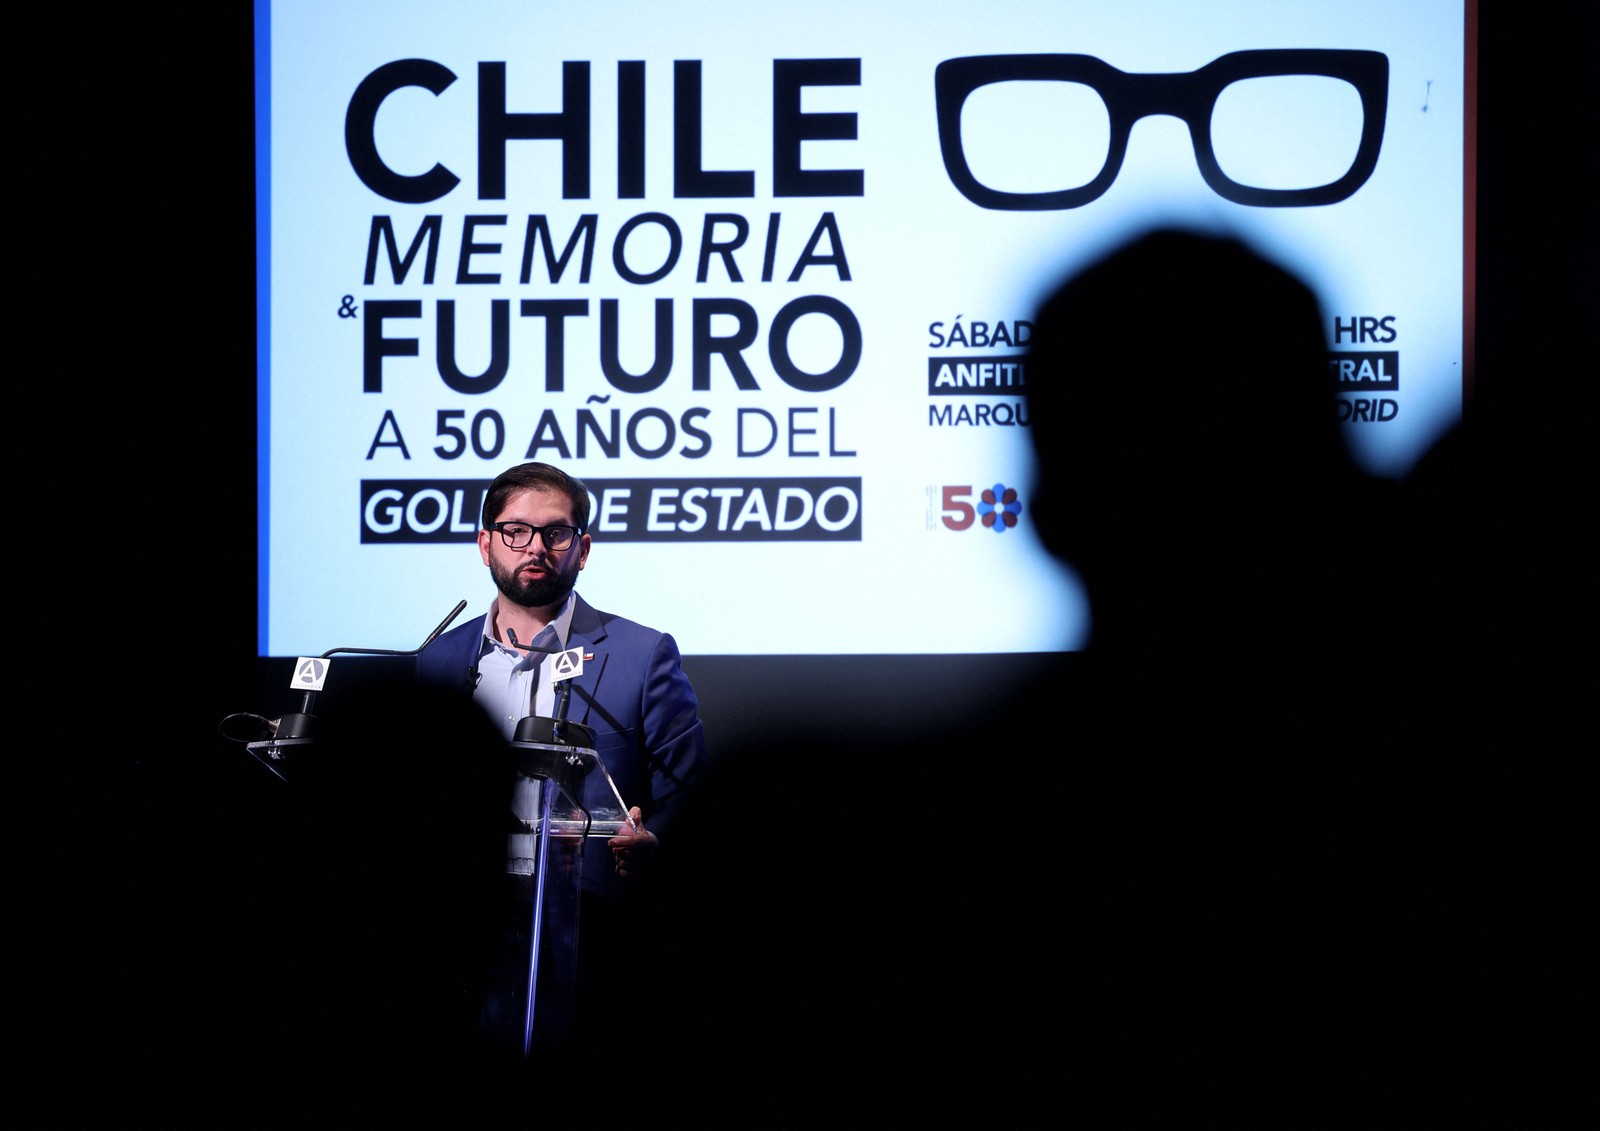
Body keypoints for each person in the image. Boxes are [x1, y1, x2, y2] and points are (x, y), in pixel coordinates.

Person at [415, 460, 707, 1057]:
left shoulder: (641, 653)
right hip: (470, 923)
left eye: (556, 532)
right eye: (515, 530)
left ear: (583, 547)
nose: (536, 547)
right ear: (484, 544)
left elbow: (688, 797)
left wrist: (655, 848)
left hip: (593, 922)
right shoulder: (439, 660)